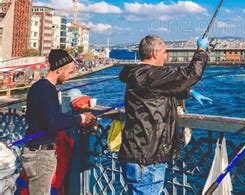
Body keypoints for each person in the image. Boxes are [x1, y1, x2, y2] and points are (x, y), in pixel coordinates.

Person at [119, 35, 213, 194]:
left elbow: (157, 92)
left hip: (136, 153)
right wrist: (201, 50)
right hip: (148, 157)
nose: (166, 55)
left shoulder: (138, 74)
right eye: (164, 52)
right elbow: (190, 74)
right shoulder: (152, 74)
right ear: (156, 53)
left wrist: (189, 92)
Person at [22, 49, 96, 195]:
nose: (69, 76)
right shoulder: (47, 90)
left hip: (34, 151)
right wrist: (81, 118)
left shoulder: (38, 87)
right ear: (60, 69)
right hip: (41, 155)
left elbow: (49, 118)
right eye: (69, 72)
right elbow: (53, 122)